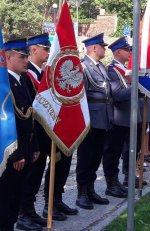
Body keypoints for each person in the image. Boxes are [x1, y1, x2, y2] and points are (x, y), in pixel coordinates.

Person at [16, 33, 78, 231]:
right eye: (45, 49)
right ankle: (24, 212)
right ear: (33, 49)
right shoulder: (27, 76)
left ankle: (43, 205)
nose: (49, 52)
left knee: (50, 169)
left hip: (50, 132)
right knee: (32, 174)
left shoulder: (45, 73)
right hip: (35, 134)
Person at [0, 38, 39, 231]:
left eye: (26, 56)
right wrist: (16, 154)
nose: (26, 60)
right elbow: (5, 122)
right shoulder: (3, 83)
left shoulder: (23, 79)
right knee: (6, 199)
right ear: (7, 57)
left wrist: (35, 146)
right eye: (22, 56)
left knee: (16, 197)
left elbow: (31, 115)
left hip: (26, 148)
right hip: (12, 154)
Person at [76, 33, 112, 209]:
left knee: (96, 156)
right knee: (85, 157)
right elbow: (81, 96)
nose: (105, 49)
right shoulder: (82, 67)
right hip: (89, 119)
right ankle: (81, 192)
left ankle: (90, 189)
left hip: (103, 118)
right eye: (102, 46)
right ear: (93, 48)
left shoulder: (101, 67)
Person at [102, 37, 132, 198]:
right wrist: (136, 86)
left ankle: (116, 182)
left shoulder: (124, 69)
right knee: (112, 153)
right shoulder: (112, 70)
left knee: (120, 151)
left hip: (126, 118)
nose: (130, 52)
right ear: (118, 52)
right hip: (116, 117)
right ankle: (111, 184)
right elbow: (118, 95)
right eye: (127, 50)